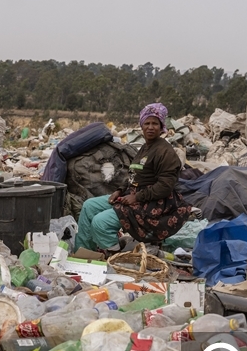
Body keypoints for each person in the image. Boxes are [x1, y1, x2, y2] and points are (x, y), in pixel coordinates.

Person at [74, 103, 191, 252]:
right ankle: (83, 252)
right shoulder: (145, 148)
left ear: (162, 127)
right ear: (141, 126)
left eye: (155, 123)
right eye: (147, 123)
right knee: (89, 206)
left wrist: (136, 197)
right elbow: (134, 175)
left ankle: (113, 254)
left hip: (151, 203)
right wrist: (119, 190)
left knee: (100, 222)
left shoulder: (165, 152)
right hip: (132, 195)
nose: (150, 127)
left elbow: (165, 186)